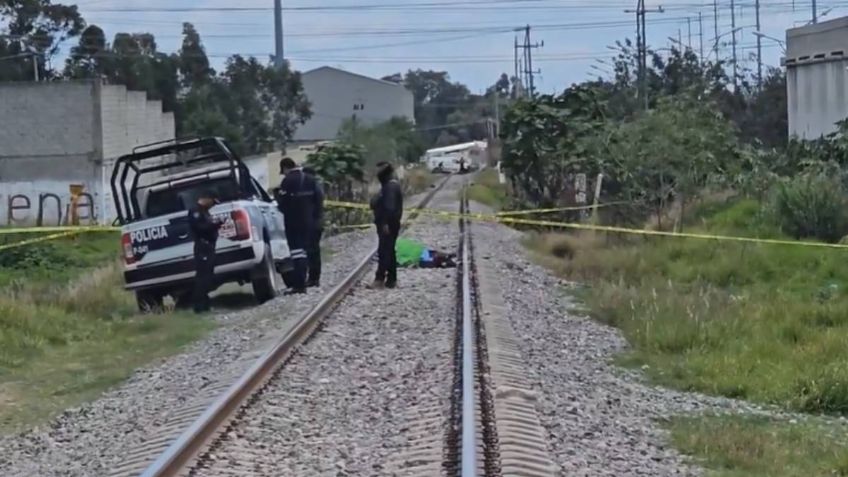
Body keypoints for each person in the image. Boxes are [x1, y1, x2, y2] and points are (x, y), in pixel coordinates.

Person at [277, 157, 319, 294]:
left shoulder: (287, 181)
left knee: (297, 253)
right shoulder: (310, 179)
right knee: (308, 251)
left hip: (293, 222)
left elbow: (281, 204)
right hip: (309, 221)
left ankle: (300, 285)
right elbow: (319, 199)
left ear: (285, 168)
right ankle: (312, 278)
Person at [369, 162, 404, 289]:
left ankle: (380, 279)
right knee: (389, 251)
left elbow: (389, 207)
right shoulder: (390, 186)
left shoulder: (390, 187)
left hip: (388, 224)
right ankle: (391, 279)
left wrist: (385, 223)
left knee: (384, 251)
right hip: (390, 223)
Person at [188, 193, 224, 313]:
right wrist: (215, 224)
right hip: (202, 247)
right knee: (202, 278)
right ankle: (199, 306)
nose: (213, 205)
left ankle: (205, 304)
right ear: (206, 199)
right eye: (212, 202)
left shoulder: (205, 211)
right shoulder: (196, 211)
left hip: (209, 246)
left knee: (208, 277)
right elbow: (200, 228)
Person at [303, 166, 324, 287]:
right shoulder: (317, 185)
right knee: (314, 250)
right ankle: (314, 277)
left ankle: (313, 278)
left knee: (312, 251)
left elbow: (313, 206)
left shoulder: (313, 186)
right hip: (317, 222)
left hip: (313, 222)